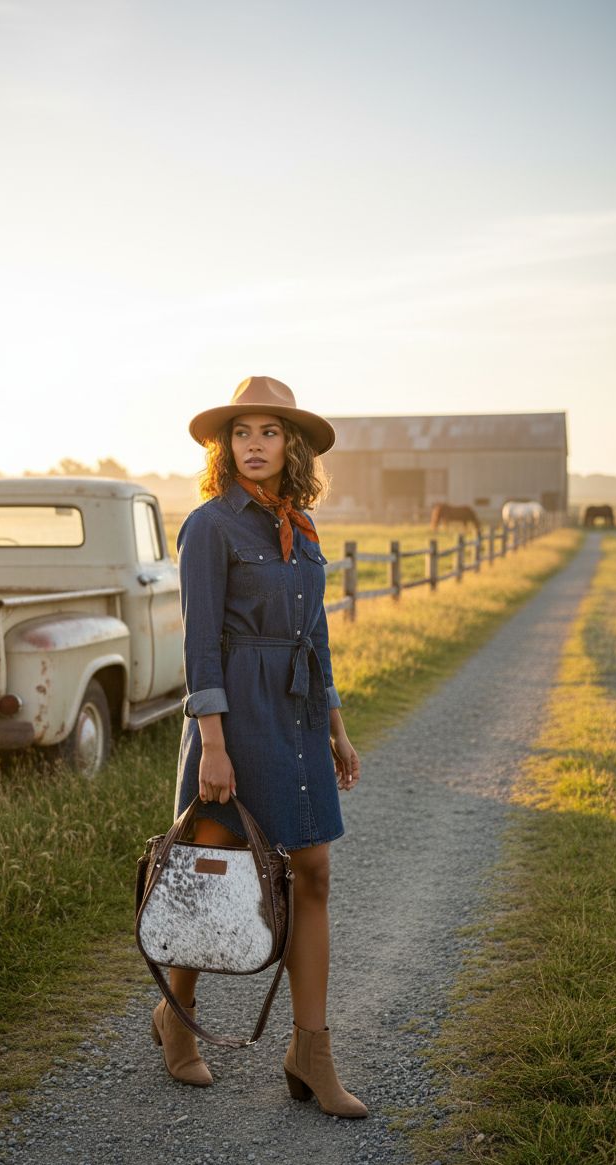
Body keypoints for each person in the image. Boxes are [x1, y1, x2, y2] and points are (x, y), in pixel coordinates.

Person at [150, 375, 367, 1118]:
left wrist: (335, 722)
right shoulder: (210, 526)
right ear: (225, 445)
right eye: (241, 433)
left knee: (312, 873)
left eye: (269, 432)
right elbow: (201, 642)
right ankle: (177, 1020)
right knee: (215, 876)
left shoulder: (302, 526)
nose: (254, 445)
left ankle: (310, 1053)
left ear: (291, 444)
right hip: (235, 720)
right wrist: (211, 743)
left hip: (300, 715)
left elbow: (318, 636)